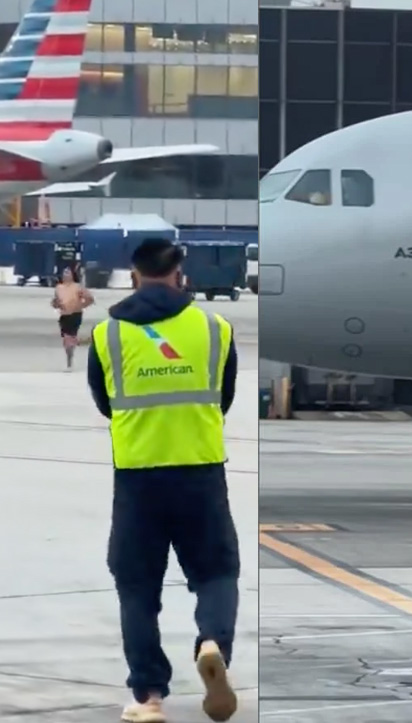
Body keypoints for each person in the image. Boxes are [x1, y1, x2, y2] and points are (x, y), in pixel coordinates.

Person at [85, 238, 241, 723]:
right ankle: (212, 641)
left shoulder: (107, 335)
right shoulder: (216, 328)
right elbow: (224, 395)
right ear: (180, 272)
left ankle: (148, 697)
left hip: (138, 479)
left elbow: (103, 400)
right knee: (216, 573)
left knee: (136, 586)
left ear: (134, 274)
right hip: (200, 470)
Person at [51, 265, 94, 371]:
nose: (66, 274)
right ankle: (76, 345)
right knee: (67, 339)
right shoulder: (59, 288)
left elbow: (90, 299)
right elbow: (56, 302)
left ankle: (69, 362)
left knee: (68, 338)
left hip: (75, 315)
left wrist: (82, 306)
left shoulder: (77, 287)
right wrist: (56, 304)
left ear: (72, 275)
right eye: (64, 272)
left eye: (68, 272)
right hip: (64, 315)